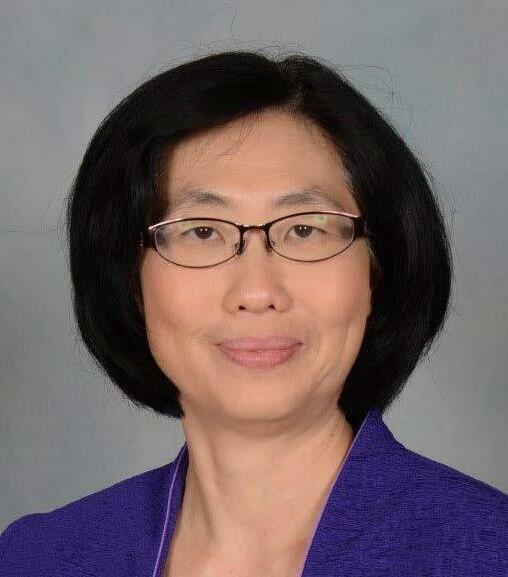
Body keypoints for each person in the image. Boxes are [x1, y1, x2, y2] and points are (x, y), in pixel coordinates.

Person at [1, 49, 506, 577]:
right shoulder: (37, 558)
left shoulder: (490, 552)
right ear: (130, 279)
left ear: (377, 271)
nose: (258, 291)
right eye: (202, 231)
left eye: (305, 229)